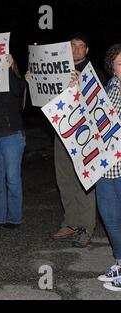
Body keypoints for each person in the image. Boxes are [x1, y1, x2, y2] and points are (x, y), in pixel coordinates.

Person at [51, 33, 106, 247]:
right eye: (72, 45)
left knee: (84, 181)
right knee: (64, 180)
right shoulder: (57, 70)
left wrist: (81, 83)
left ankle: (85, 227)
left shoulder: (95, 73)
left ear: (87, 50)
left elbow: (99, 104)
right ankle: (71, 223)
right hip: (61, 130)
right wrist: (32, 80)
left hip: (84, 134)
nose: (76, 50)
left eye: (81, 46)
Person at [0, 54, 26, 228]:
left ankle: (14, 217)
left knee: (13, 180)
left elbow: (19, 90)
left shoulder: (15, 80)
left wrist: (10, 69)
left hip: (11, 135)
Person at [95, 44, 121, 291]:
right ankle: (120, 260)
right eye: (120, 63)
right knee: (110, 218)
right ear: (112, 67)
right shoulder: (108, 88)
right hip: (104, 166)